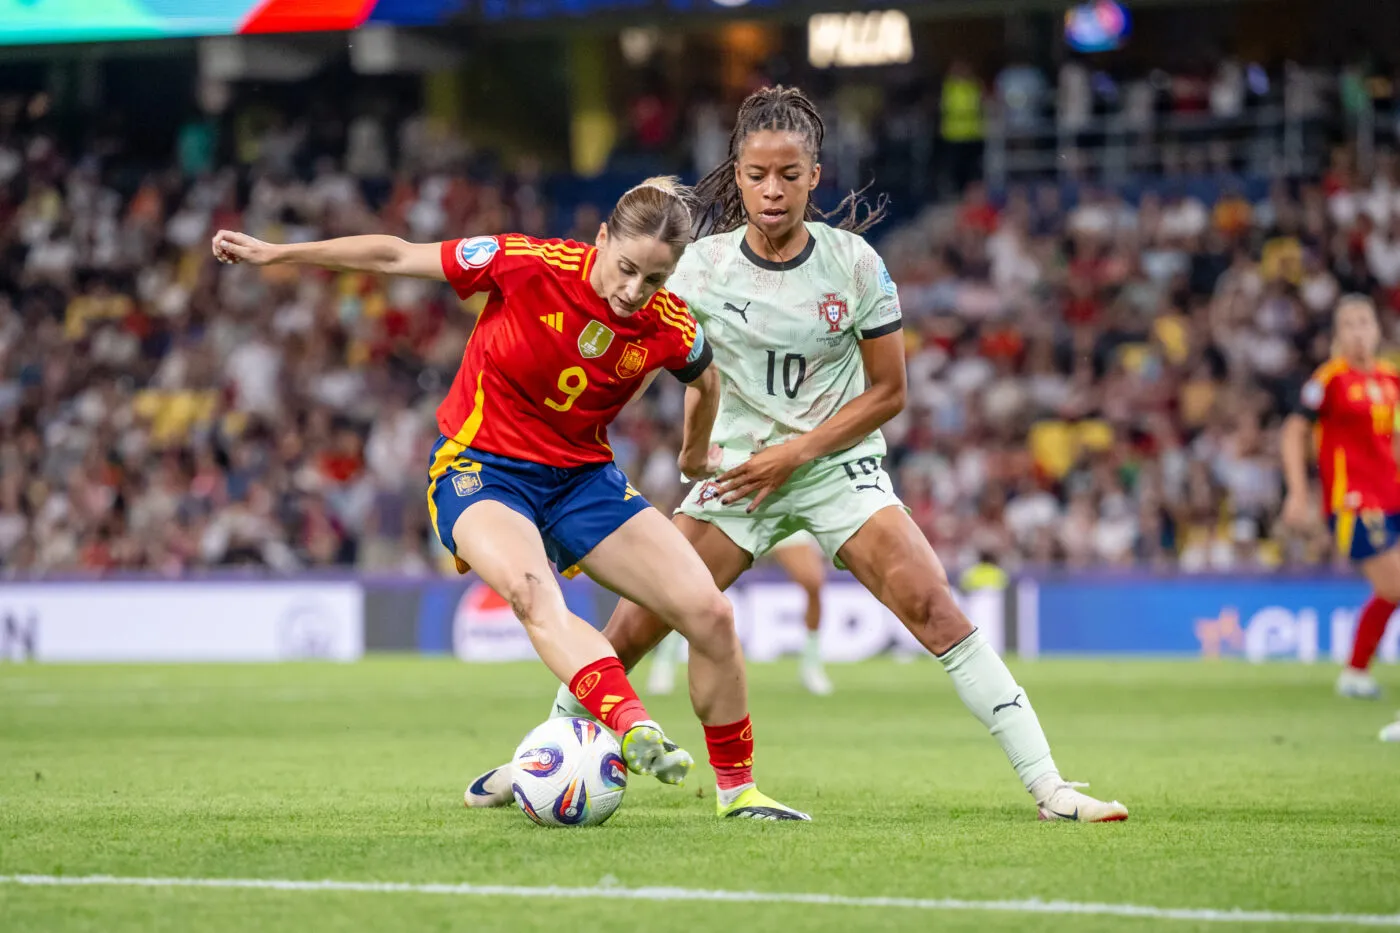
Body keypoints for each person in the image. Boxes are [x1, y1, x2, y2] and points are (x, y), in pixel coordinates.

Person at [468, 86, 1129, 823]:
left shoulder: (856, 264)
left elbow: (888, 392)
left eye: (789, 174)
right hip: (736, 476)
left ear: (815, 175)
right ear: (738, 174)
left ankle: (1051, 786)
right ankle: (538, 760)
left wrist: (797, 454)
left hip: (834, 469)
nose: (772, 189)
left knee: (934, 605)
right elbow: (629, 327)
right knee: (630, 630)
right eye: (756, 174)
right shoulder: (698, 268)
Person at [211, 176, 807, 820]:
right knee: (531, 591)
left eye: (655, 280)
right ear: (602, 239)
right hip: (482, 470)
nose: (634, 293)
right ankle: (630, 725)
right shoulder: (526, 263)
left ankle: (738, 794)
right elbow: (394, 255)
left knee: (710, 615)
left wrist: (694, 454)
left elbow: (705, 377)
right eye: (627, 269)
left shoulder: (669, 325)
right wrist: (277, 254)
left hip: (584, 480)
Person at [1282, 295, 1400, 702]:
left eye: (1365, 322)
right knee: (1396, 582)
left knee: (1390, 591)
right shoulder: (1329, 379)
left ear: (1378, 330)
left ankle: (1355, 672)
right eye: (1349, 324)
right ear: (1338, 334)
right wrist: (1299, 492)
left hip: (1393, 497)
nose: (1358, 331)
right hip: (1353, 502)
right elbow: (1294, 431)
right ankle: (1354, 672)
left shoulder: (1391, 379)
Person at [647, 531, 832, 697]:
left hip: (783, 512)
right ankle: (665, 661)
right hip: (744, 513)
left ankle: (811, 664)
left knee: (813, 582)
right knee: (701, 589)